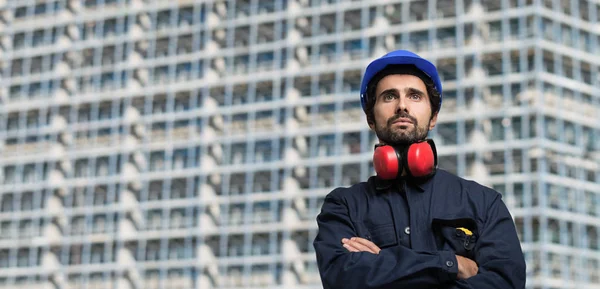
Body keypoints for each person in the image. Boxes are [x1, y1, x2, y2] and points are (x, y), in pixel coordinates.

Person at [313, 50, 526, 289]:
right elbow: (342, 278)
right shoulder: (344, 206)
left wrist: (381, 266)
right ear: (371, 119)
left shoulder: (483, 203)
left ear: (433, 117)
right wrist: (451, 263)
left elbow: (505, 283)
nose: (402, 105)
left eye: (414, 96)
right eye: (389, 96)